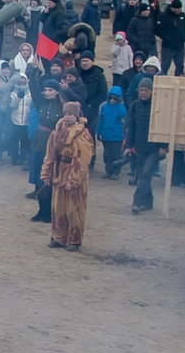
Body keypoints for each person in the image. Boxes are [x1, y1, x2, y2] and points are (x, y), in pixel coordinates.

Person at [43, 102, 94, 250]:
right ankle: (59, 237)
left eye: (70, 114)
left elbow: (83, 160)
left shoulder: (82, 134)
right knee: (58, 208)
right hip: (60, 171)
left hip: (75, 171)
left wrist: (74, 179)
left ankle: (74, 240)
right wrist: (46, 172)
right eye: (65, 114)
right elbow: (50, 153)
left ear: (77, 115)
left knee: (74, 209)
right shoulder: (57, 131)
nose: (67, 117)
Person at [125, 77, 163, 214]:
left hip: (154, 148)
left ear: (152, 91)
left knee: (146, 174)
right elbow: (131, 126)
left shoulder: (158, 106)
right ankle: (148, 201)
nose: (143, 93)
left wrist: (163, 146)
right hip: (139, 147)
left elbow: (163, 127)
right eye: (141, 90)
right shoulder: (134, 105)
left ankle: (137, 202)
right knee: (142, 176)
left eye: (146, 90)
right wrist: (128, 146)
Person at [97, 86, 127, 178]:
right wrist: (98, 132)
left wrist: (119, 104)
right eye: (111, 98)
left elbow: (123, 115)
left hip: (117, 136)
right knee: (107, 155)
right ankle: (108, 171)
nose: (113, 100)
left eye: (115, 98)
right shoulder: (104, 107)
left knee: (116, 155)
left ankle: (115, 172)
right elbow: (100, 120)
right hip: (106, 135)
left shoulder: (121, 107)